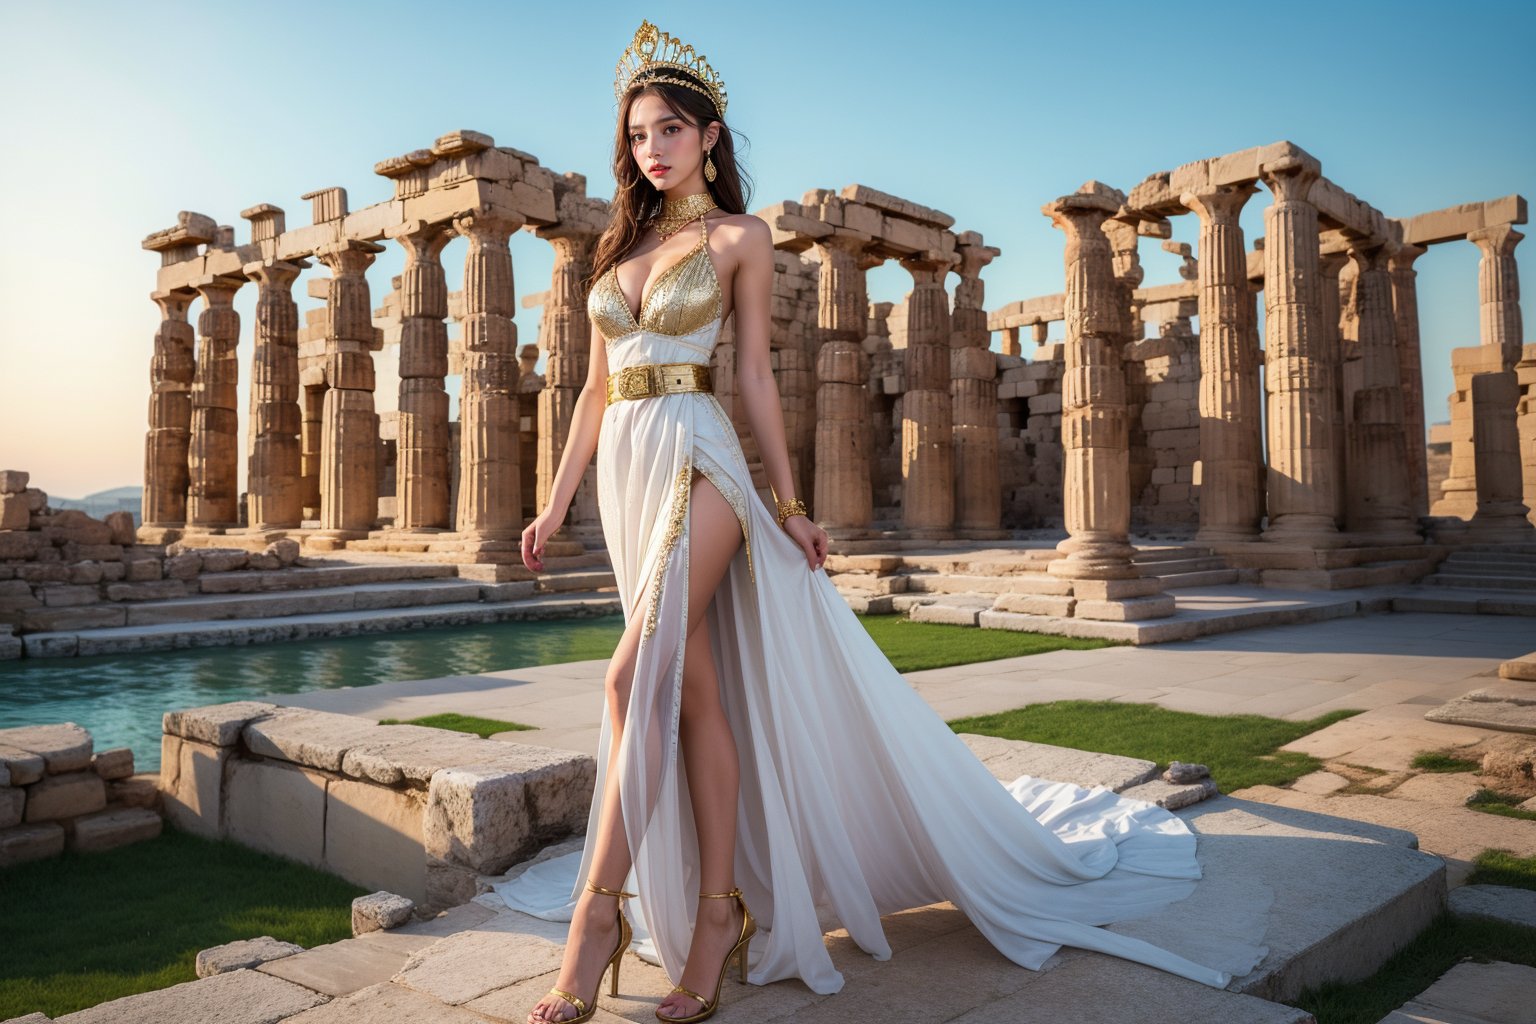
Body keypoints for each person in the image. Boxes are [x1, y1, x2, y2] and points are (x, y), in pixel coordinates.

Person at [518, 19, 1267, 1024]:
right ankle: (717, 912)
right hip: (624, 469)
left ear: (708, 136)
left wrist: (787, 502)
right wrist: (554, 499)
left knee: (629, 675)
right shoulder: (618, 249)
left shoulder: (738, 238)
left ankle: (595, 921)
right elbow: (593, 391)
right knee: (694, 693)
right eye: (638, 134)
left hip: (702, 460)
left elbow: (751, 376)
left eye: (669, 129)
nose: (652, 147)